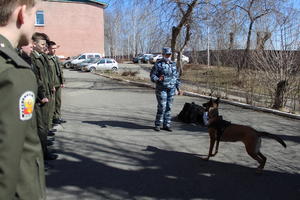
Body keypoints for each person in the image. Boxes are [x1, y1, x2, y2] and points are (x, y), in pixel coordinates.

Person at [0, 0, 46, 199]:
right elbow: (6, 160)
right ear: (20, 14)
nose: (35, 25)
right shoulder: (14, 71)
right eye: (34, 17)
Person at [31, 32, 58, 160]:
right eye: (42, 44)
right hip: (40, 95)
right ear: (34, 44)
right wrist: (41, 95)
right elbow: (37, 79)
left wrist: (51, 86)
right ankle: (42, 153)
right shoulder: (33, 58)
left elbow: (47, 75)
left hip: (46, 91)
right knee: (41, 126)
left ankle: (44, 147)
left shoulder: (41, 56)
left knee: (45, 122)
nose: (44, 47)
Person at [150, 47, 181, 132]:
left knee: (169, 107)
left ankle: (166, 125)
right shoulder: (158, 64)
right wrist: (158, 79)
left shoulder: (173, 64)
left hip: (171, 88)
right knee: (162, 106)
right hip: (161, 88)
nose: (168, 56)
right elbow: (152, 76)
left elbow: (176, 77)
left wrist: (178, 88)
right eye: (166, 54)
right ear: (163, 54)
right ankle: (158, 124)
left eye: (169, 54)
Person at [47, 40, 66, 125]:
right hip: (52, 84)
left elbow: (60, 71)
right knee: (52, 103)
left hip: (58, 83)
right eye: (52, 48)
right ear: (48, 48)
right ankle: (50, 120)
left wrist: (62, 81)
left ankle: (57, 117)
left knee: (58, 101)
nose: (54, 50)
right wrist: (51, 85)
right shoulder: (47, 59)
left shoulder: (56, 58)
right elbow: (48, 74)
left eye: (55, 48)